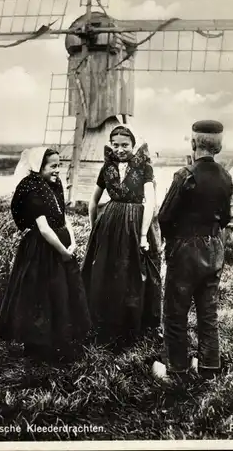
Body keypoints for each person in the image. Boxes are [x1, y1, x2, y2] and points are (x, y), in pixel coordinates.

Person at [152, 120, 233, 382]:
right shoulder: (226, 176)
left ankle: (176, 371)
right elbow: (225, 218)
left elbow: (164, 217)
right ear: (218, 147)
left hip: (186, 249)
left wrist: (173, 243)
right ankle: (209, 367)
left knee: (175, 312)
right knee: (208, 312)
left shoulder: (184, 175)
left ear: (194, 143)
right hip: (214, 248)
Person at [0, 147, 92, 362]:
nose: (58, 170)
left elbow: (63, 216)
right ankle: (37, 347)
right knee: (41, 295)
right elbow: (44, 228)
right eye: (52, 166)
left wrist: (73, 241)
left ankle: (61, 340)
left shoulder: (54, 185)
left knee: (62, 292)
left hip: (61, 244)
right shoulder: (31, 188)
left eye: (59, 165)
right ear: (39, 168)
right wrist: (63, 253)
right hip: (42, 249)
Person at [81, 125, 162, 348]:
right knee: (109, 269)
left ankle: (135, 326)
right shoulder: (106, 169)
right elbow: (93, 201)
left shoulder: (144, 167)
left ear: (133, 146)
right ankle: (107, 325)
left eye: (125, 145)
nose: (119, 149)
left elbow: (151, 202)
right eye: (115, 145)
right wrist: (94, 229)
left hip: (136, 223)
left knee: (135, 270)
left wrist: (144, 234)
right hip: (111, 221)